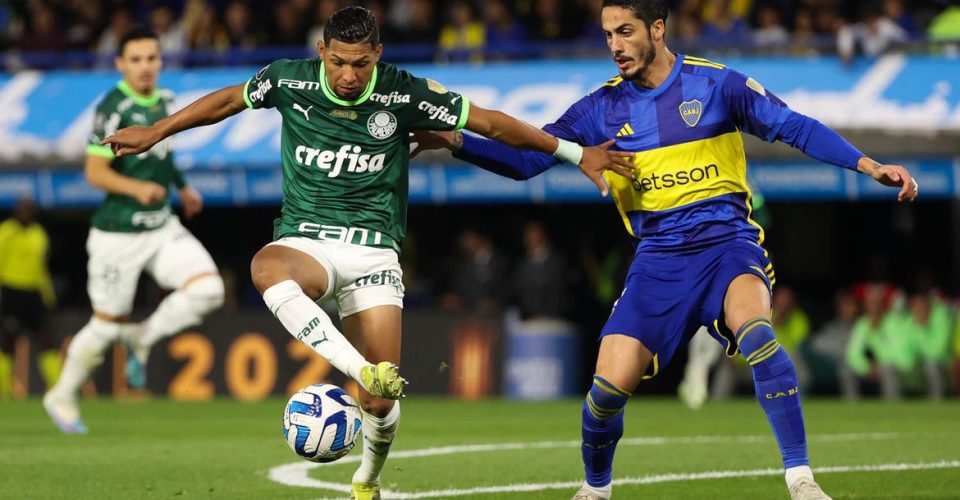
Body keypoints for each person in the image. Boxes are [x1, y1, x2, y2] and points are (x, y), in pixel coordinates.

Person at [98, 7, 633, 499]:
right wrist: (157, 132)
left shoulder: (404, 93)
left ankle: (367, 478)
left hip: (374, 253)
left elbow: (491, 123)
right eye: (337, 62)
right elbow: (226, 101)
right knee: (266, 266)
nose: (348, 75)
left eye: (359, 63)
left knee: (378, 404)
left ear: (376, 55)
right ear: (322, 51)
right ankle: (359, 368)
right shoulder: (290, 78)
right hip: (307, 238)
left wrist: (575, 151)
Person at [412, 1, 918, 498]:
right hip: (658, 260)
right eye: (608, 34)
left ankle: (801, 480)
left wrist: (867, 165)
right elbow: (526, 162)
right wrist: (455, 141)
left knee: (759, 336)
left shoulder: (718, 84)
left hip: (727, 246)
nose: (615, 45)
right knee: (605, 394)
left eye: (626, 31)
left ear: (657, 28)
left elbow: (795, 127)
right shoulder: (599, 109)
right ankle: (595, 488)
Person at [43, 27, 225, 434]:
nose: (145, 67)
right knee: (106, 326)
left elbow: (161, 153)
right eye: (136, 59)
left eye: (152, 58)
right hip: (117, 235)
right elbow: (94, 172)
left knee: (209, 290)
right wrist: (136, 186)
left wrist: (182, 187)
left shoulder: (164, 100)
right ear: (120, 64)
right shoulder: (114, 106)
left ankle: (142, 336)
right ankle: (61, 394)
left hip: (161, 226)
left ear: (161, 61)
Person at [0, 198, 59, 397]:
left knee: (46, 340)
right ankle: (4, 392)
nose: (26, 213)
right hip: (10, 291)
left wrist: (48, 298)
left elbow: (42, 269)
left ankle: (59, 388)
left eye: (30, 210)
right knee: (6, 343)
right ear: (15, 211)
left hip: (34, 294)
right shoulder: (6, 231)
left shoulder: (38, 233)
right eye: (22, 209)